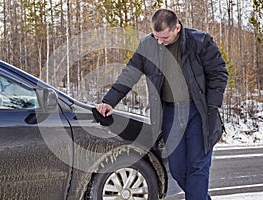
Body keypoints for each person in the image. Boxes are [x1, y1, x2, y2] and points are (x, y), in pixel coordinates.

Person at [95, 9, 228, 200]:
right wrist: (109, 101)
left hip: (198, 112)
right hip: (170, 114)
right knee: (177, 168)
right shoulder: (148, 45)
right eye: (156, 36)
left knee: (197, 167)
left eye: (164, 37)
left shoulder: (199, 42)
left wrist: (212, 106)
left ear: (177, 28)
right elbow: (130, 74)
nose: (159, 41)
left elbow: (219, 73)